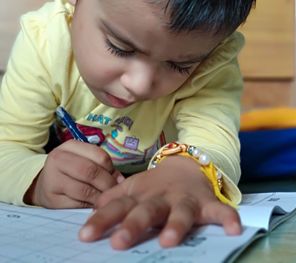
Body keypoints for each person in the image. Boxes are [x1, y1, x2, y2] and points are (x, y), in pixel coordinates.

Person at [0, 0, 255, 250]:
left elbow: (216, 147)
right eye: (119, 48)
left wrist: (189, 174)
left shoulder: (213, 60)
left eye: (180, 66)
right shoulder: (45, 40)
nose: (140, 84)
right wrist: (37, 181)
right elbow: (7, 147)